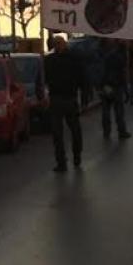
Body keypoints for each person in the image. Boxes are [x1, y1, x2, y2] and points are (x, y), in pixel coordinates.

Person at [44, 36, 86, 172]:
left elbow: (82, 78)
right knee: (64, 132)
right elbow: (83, 79)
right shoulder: (71, 59)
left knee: (68, 131)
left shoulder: (52, 60)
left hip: (65, 98)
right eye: (56, 44)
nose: (57, 46)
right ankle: (66, 159)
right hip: (62, 98)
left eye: (59, 43)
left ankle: (71, 157)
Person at [98, 39, 131, 140]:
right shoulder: (119, 56)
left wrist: (100, 85)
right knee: (119, 110)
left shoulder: (102, 54)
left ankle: (106, 131)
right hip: (116, 85)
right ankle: (121, 131)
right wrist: (126, 89)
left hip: (105, 85)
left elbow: (100, 70)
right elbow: (123, 73)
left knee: (106, 110)